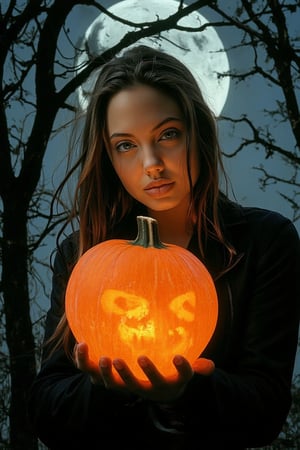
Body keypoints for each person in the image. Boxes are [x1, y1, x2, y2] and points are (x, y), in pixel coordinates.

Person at [28, 45, 300, 449]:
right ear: (109, 157)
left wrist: (186, 392)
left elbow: (265, 412)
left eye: (167, 135)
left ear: (198, 133)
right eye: (126, 145)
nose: (151, 162)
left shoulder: (264, 242)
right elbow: (47, 412)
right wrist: (106, 389)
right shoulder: (83, 254)